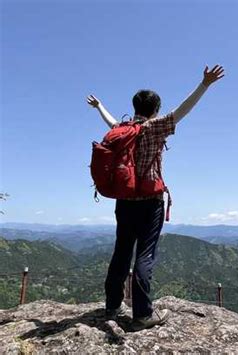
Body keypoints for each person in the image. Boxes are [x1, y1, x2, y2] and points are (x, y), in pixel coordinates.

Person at [86, 65, 225, 331]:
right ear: (156, 109)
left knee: (121, 252)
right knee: (145, 255)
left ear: (135, 106)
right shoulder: (155, 128)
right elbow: (182, 111)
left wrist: (99, 106)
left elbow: (110, 121)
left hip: (124, 202)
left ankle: (113, 306)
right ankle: (142, 314)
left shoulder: (123, 130)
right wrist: (204, 84)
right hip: (150, 203)